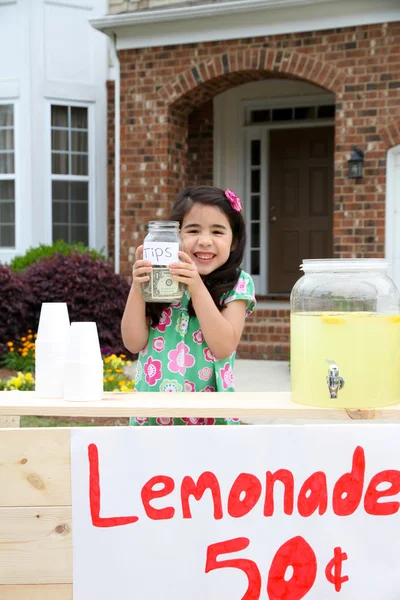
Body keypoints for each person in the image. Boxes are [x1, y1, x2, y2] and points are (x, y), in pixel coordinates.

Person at [121, 185, 256, 426]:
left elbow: (224, 346)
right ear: (176, 236)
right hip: (153, 415)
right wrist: (138, 286)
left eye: (217, 232)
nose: (205, 241)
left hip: (210, 420)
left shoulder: (238, 284)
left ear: (234, 241)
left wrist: (196, 286)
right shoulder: (160, 279)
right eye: (193, 230)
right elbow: (133, 342)